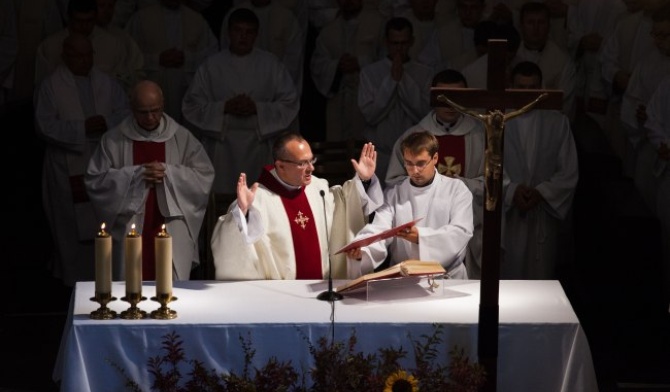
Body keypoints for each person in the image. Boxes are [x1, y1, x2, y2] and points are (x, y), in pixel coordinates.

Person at [85, 80, 214, 282]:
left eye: (155, 110)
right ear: (131, 108)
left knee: (171, 284)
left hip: (170, 224)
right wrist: (134, 175)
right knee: (130, 278)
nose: (150, 117)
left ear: (163, 105)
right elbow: (95, 180)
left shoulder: (181, 137)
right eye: (143, 112)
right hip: (131, 224)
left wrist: (169, 173)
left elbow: (204, 175)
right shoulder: (113, 139)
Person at [211, 132, 383, 280]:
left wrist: (364, 181)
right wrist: (243, 213)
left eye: (311, 160)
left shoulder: (318, 188)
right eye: (302, 163)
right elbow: (234, 246)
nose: (311, 168)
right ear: (280, 166)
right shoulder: (258, 199)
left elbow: (344, 206)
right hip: (281, 298)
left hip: (321, 290)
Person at [34, 33, 130, 286]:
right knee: (69, 224)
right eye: (77, 55)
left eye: (88, 55)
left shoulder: (106, 83)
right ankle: (72, 278)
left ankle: (104, 277)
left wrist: (106, 123)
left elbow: (124, 112)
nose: (84, 60)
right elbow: (44, 124)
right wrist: (81, 128)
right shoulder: (51, 85)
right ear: (65, 55)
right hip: (67, 162)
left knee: (102, 219)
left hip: (102, 160)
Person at [182, 7, 300, 194]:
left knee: (259, 199)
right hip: (222, 148)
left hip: (258, 144)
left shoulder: (271, 65)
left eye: (249, 32)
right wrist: (224, 107)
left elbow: (289, 102)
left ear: (256, 35)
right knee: (223, 198)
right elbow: (192, 105)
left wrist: (257, 108)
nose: (243, 37)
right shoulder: (212, 66)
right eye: (238, 31)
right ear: (229, 33)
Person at [386, 69, 486, 278]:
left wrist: (456, 185)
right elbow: (394, 183)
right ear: (434, 98)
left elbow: (495, 183)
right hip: (418, 235)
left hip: (472, 219)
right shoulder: (412, 136)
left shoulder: (479, 135)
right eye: (444, 97)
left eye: (457, 97)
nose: (450, 104)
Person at [345, 130, 474, 279]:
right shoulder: (394, 193)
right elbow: (380, 229)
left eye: (421, 163)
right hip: (405, 278)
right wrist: (363, 251)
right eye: (409, 164)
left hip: (447, 277)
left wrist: (420, 237)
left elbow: (461, 232)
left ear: (435, 158)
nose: (414, 171)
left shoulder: (456, 190)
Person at [500, 61, 579, 279]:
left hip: (541, 213)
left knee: (540, 271)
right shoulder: (498, 121)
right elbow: (486, 166)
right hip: (507, 214)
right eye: (521, 88)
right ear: (511, 87)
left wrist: (542, 192)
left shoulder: (557, 122)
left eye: (532, 87)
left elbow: (568, 171)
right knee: (508, 273)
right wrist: (511, 190)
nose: (527, 94)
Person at [358, 16, 433, 187]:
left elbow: (424, 113)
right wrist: (391, 81)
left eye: (403, 43)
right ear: (386, 42)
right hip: (381, 154)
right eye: (394, 43)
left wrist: (404, 80)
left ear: (411, 42)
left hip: (415, 155)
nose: (399, 49)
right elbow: (370, 115)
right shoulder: (370, 73)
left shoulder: (424, 73)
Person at [125, 0, 218, 122]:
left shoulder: (196, 20)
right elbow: (128, 56)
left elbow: (211, 54)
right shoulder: (141, 18)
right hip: (153, 89)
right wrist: (157, 60)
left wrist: (186, 58)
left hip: (185, 92)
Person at [309, 0, 386, 142]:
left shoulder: (378, 24)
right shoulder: (328, 30)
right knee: (337, 148)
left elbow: (386, 59)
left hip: (368, 99)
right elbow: (317, 64)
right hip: (339, 99)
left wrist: (361, 63)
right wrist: (336, 65)